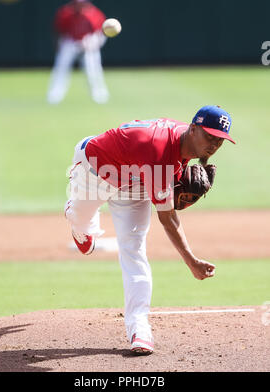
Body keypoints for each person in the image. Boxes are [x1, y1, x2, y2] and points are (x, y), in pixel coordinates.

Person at [64, 105, 235, 355]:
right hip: (94, 170)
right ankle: (79, 220)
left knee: (134, 249)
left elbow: (165, 174)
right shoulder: (159, 151)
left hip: (135, 184)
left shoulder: (183, 144)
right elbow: (168, 219)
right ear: (194, 128)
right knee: (78, 218)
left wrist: (176, 177)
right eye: (210, 136)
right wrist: (191, 261)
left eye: (220, 140)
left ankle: (139, 327)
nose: (214, 144)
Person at [47, 0, 109, 104]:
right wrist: (59, 44)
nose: (79, 5)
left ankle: (99, 95)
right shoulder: (66, 12)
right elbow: (59, 30)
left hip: (88, 42)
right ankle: (55, 95)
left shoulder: (94, 13)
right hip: (70, 42)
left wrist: (94, 43)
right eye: (77, 3)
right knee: (61, 68)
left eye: (82, 3)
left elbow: (101, 33)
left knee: (93, 69)